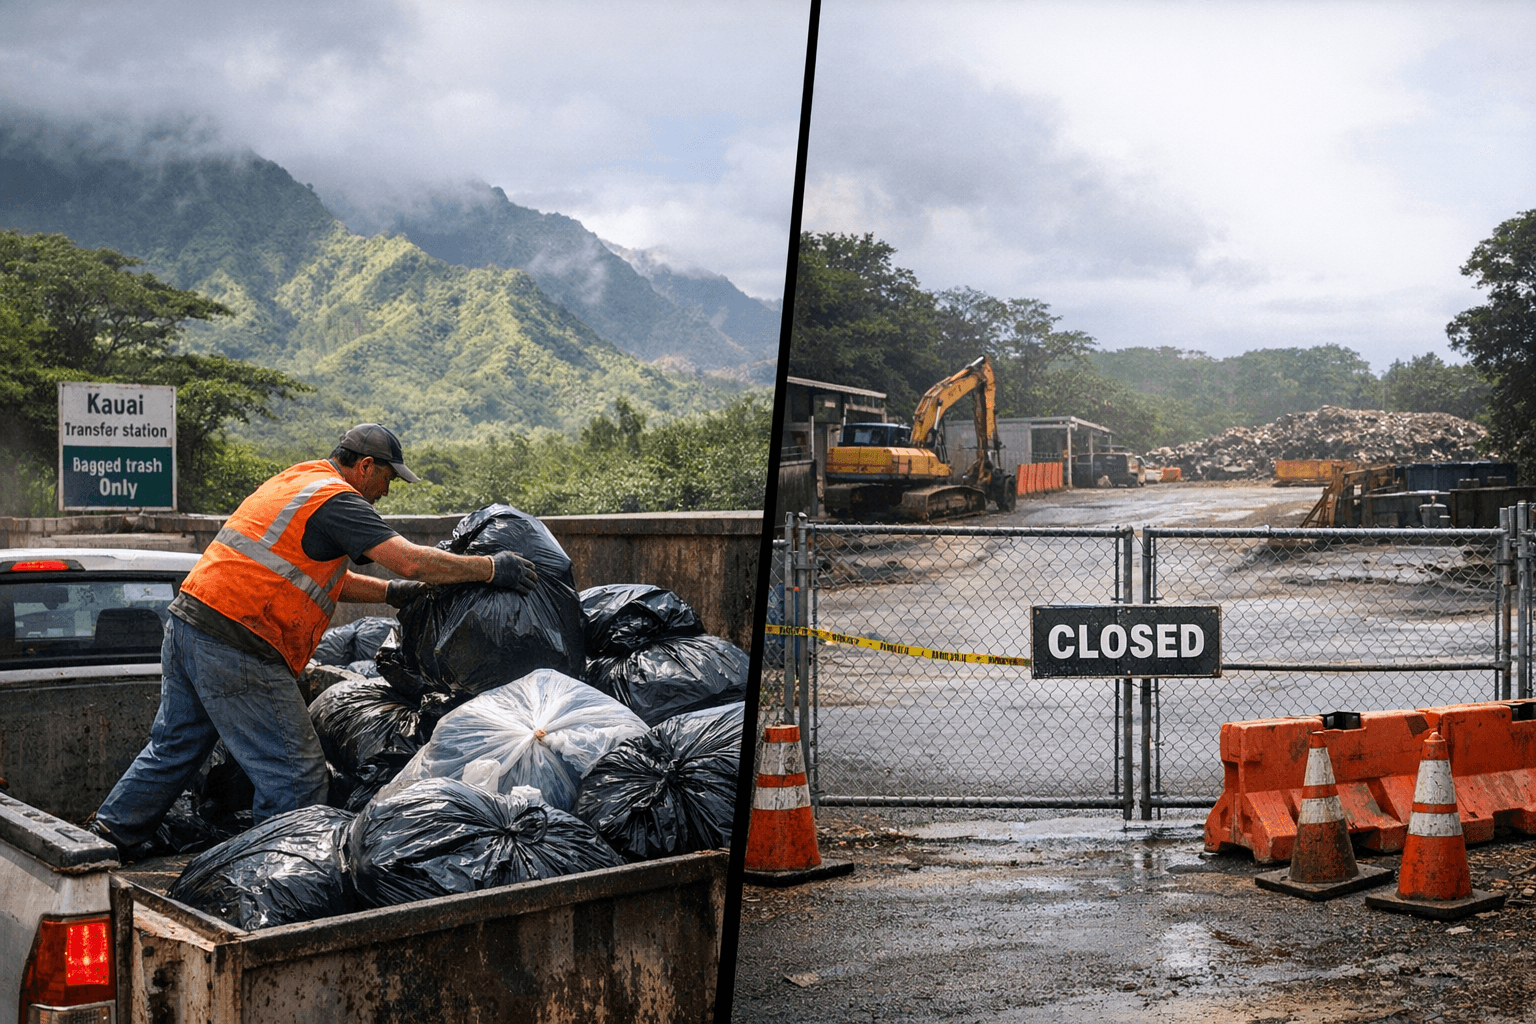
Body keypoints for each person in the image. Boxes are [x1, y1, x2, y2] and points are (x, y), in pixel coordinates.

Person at [89, 423, 538, 858]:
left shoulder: (297, 480)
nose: (386, 491)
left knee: (174, 747)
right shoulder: (338, 500)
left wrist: (388, 595)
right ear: (365, 466)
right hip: (240, 640)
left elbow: (318, 576)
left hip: (190, 623)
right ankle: (267, 878)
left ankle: (105, 837)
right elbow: (408, 560)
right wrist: (492, 568)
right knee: (295, 778)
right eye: (387, 478)